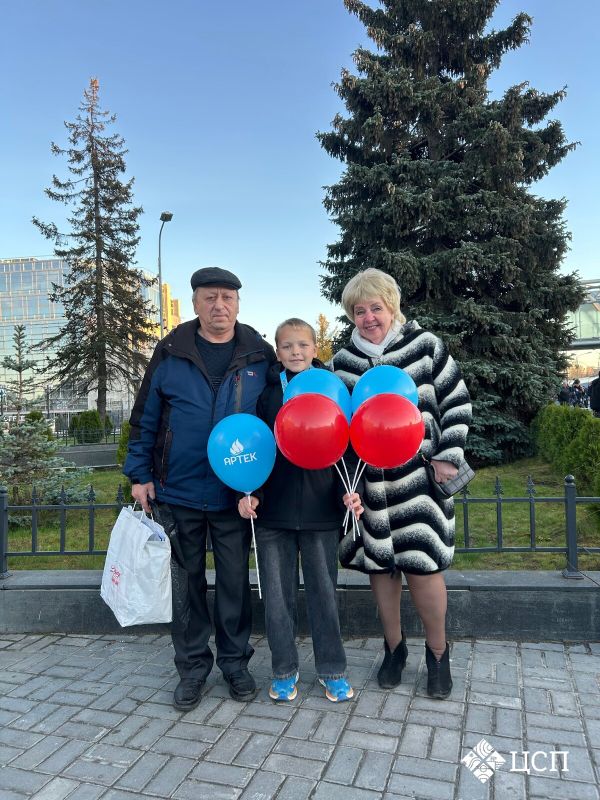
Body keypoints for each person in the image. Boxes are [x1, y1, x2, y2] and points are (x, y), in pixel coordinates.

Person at [123, 267, 276, 711]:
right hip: (178, 490)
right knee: (186, 587)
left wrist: (259, 487)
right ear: (195, 303)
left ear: (238, 304)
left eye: (227, 297)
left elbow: (273, 419)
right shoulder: (171, 352)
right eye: (210, 297)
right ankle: (192, 668)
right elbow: (145, 419)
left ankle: (235, 664)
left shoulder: (258, 354)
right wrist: (140, 475)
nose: (219, 306)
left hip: (235, 494)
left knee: (233, 583)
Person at [332, 268, 472, 699]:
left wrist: (449, 454)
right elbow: (338, 426)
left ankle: (438, 653)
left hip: (420, 481)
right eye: (359, 311)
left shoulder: (425, 346)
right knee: (380, 570)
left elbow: (456, 400)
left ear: (391, 306)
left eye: (376, 308)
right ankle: (394, 648)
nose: (369, 317)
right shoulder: (343, 362)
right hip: (371, 487)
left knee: (424, 567)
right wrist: (347, 483)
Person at [238, 318, 363, 703]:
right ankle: (283, 670)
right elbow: (257, 446)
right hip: (272, 513)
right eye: (288, 346)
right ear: (277, 352)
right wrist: (251, 493)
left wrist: (350, 492)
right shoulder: (267, 395)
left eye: (303, 345)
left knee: (324, 595)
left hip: (321, 511)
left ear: (315, 348)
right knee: (277, 598)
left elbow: (347, 447)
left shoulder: (332, 390)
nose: (296, 352)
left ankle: (332, 670)